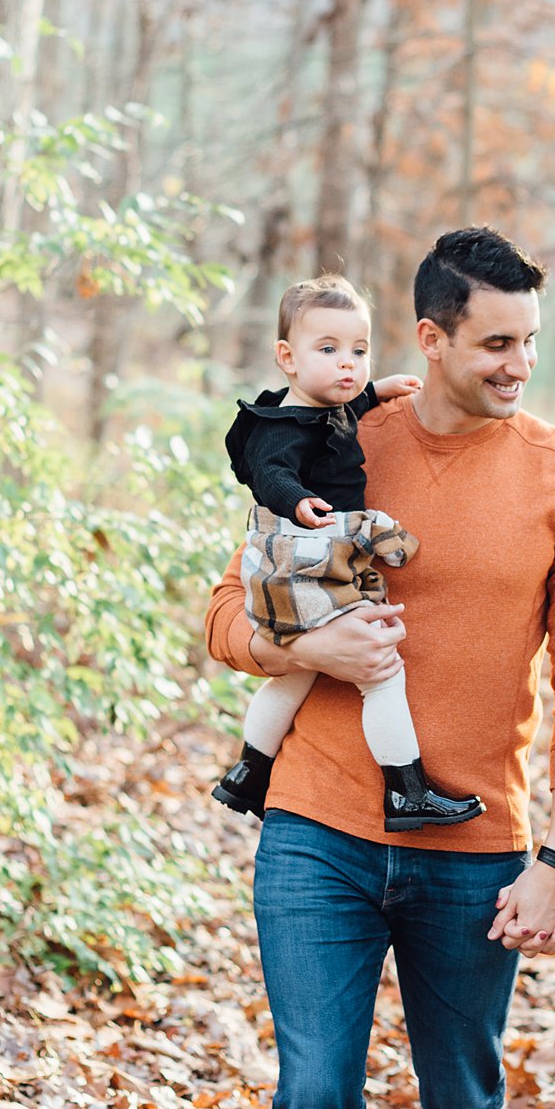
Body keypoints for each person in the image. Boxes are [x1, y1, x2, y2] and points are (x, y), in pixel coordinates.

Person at [204, 227, 555, 1109]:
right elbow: (230, 605)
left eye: (531, 342)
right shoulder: (341, 434)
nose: (518, 365)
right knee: (317, 1093)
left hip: (474, 845)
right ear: (430, 338)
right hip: (319, 829)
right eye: (496, 343)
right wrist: (301, 648)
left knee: (463, 1100)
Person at [212, 273, 485, 835]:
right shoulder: (280, 426)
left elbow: (344, 410)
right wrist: (299, 501)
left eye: (359, 351)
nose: (348, 364)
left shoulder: (319, 404)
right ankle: (407, 791)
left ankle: (247, 772)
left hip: (303, 562)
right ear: (287, 357)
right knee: (380, 671)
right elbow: (271, 470)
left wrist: (376, 389)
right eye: (329, 350)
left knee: (296, 674)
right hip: (305, 559)